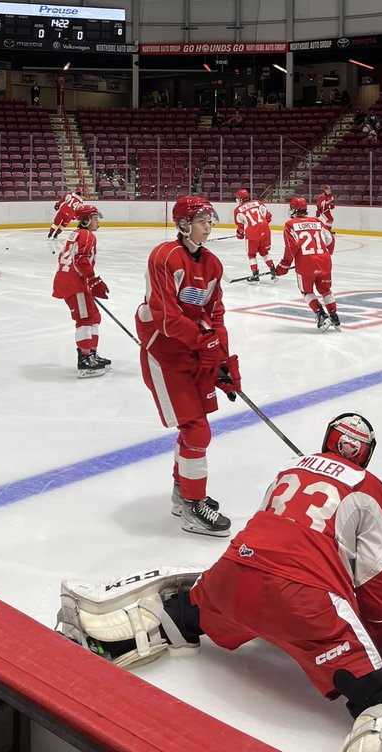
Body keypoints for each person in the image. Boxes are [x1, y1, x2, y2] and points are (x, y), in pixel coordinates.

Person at [57, 414, 382, 752]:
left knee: (189, 611)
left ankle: (120, 634)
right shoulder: (372, 489)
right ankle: (380, 731)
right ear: (367, 454)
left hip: (230, 578)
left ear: (328, 441)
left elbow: (264, 536)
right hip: (306, 603)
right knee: (378, 697)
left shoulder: (291, 468)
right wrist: (377, 642)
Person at [135, 195, 240, 537]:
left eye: (210, 220)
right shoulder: (165, 256)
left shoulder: (212, 264)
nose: (209, 226)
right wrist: (203, 342)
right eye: (201, 220)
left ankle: (184, 492)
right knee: (196, 430)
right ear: (182, 224)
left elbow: (216, 314)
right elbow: (165, 317)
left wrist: (222, 359)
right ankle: (195, 506)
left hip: (192, 350)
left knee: (194, 430)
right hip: (163, 352)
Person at [52, 205, 112, 378]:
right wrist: (93, 280)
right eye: (94, 218)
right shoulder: (87, 235)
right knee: (85, 318)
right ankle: (85, 359)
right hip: (74, 284)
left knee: (94, 315)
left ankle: (91, 354)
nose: (97, 221)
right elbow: (81, 259)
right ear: (86, 220)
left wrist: (89, 281)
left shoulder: (76, 234)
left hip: (75, 281)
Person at [275, 196, 339, 330]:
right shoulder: (317, 221)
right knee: (325, 290)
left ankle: (321, 315)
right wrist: (326, 254)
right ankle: (334, 315)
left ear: (294, 209)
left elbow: (291, 248)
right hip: (325, 261)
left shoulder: (290, 225)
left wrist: (283, 267)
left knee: (306, 291)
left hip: (306, 264)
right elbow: (330, 240)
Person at [233, 188, 276, 282]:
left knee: (251, 255)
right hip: (265, 230)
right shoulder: (258, 203)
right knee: (264, 252)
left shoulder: (238, 210)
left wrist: (239, 234)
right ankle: (273, 270)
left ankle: (255, 275)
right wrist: (261, 227)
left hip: (252, 234)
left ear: (240, 199)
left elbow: (240, 227)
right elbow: (268, 217)